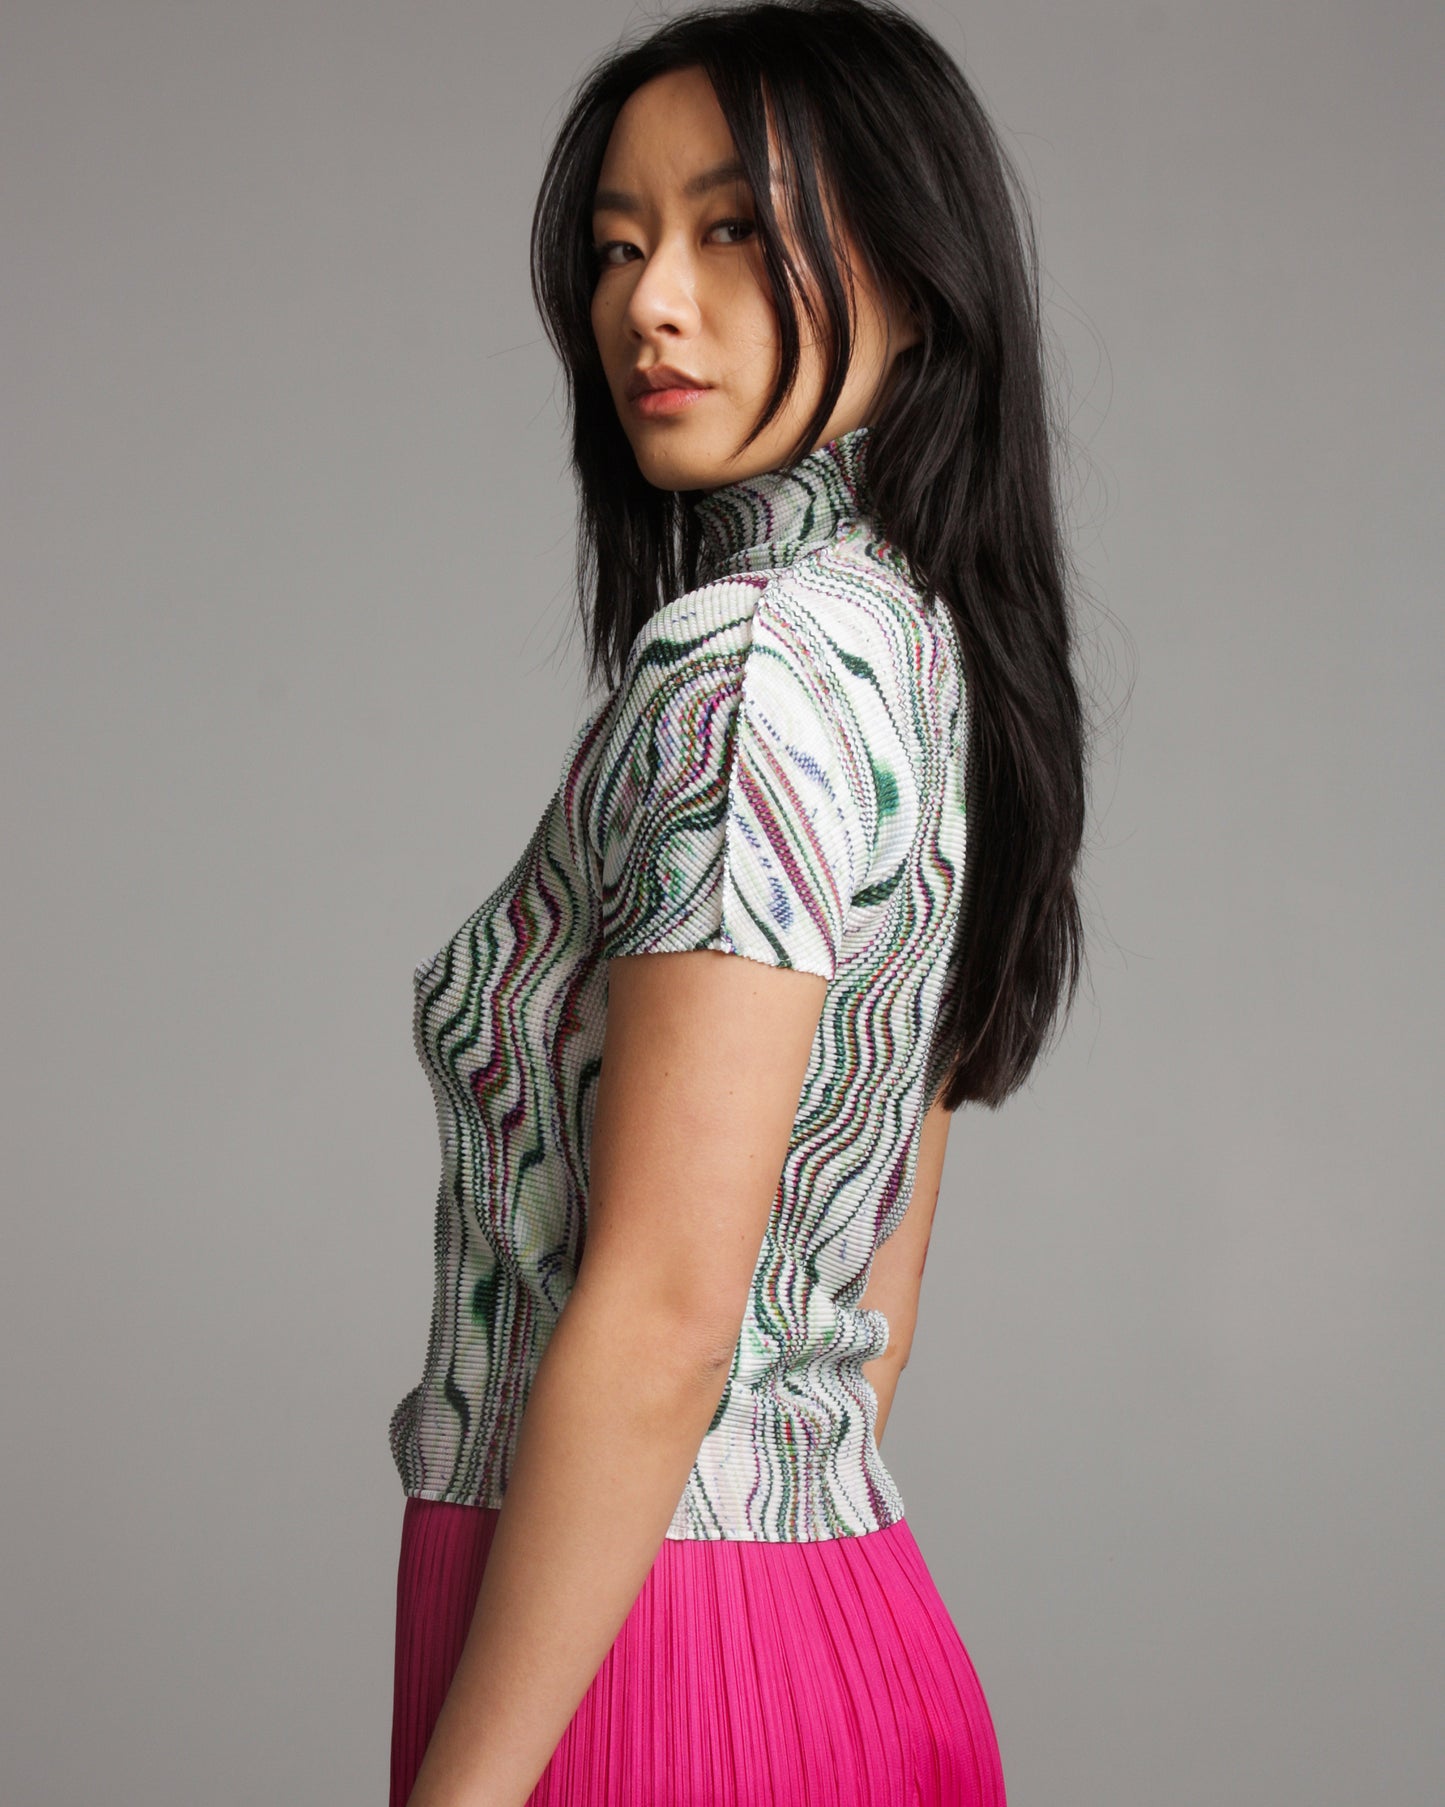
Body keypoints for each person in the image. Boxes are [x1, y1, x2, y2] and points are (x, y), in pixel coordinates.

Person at [387, 2, 1089, 1802]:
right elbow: (876, 1278)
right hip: (814, 1600)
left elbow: (670, 1310)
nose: (651, 303)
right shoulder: (917, 649)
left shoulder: (749, 672)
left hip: (634, 1650)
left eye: (730, 231)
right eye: (617, 246)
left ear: (915, 281)